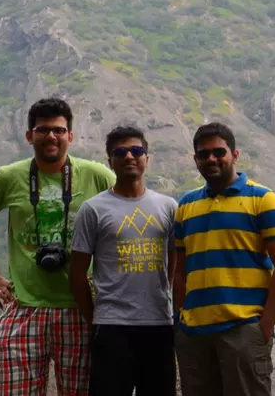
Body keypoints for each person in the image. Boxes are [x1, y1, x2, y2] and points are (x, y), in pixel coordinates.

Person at [0, 97, 116, 396]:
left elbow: (124, 217)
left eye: (59, 131)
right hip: (24, 308)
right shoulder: (9, 177)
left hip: (80, 309)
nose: (51, 136)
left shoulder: (97, 175)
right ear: (29, 136)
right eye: (43, 130)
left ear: (70, 136)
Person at [172, 122, 275, 396]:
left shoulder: (264, 200)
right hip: (194, 335)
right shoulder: (186, 206)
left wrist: (263, 328)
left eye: (219, 152)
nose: (212, 159)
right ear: (195, 160)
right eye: (204, 154)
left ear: (235, 155)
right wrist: (180, 319)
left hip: (243, 331)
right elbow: (180, 270)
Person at [69, 125, 179, 396]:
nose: (129, 156)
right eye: (120, 151)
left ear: (147, 159)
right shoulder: (93, 209)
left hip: (159, 325)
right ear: (111, 161)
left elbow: (174, 263)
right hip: (111, 326)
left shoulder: (168, 207)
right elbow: (77, 273)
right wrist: (93, 319)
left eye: (137, 150)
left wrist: (166, 298)